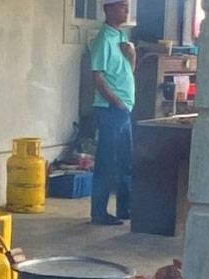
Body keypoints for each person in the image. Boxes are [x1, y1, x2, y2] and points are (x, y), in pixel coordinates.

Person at [89, 0, 136, 226]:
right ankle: (99, 213)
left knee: (125, 161)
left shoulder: (121, 37)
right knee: (107, 162)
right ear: (108, 9)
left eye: (127, 6)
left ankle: (124, 209)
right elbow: (97, 77)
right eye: (122, 6)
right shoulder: (103, 40)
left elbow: (128, 71)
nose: (126, 11)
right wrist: (116, 102)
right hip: (110, 109)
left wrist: (132, 56)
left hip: (124, 108)